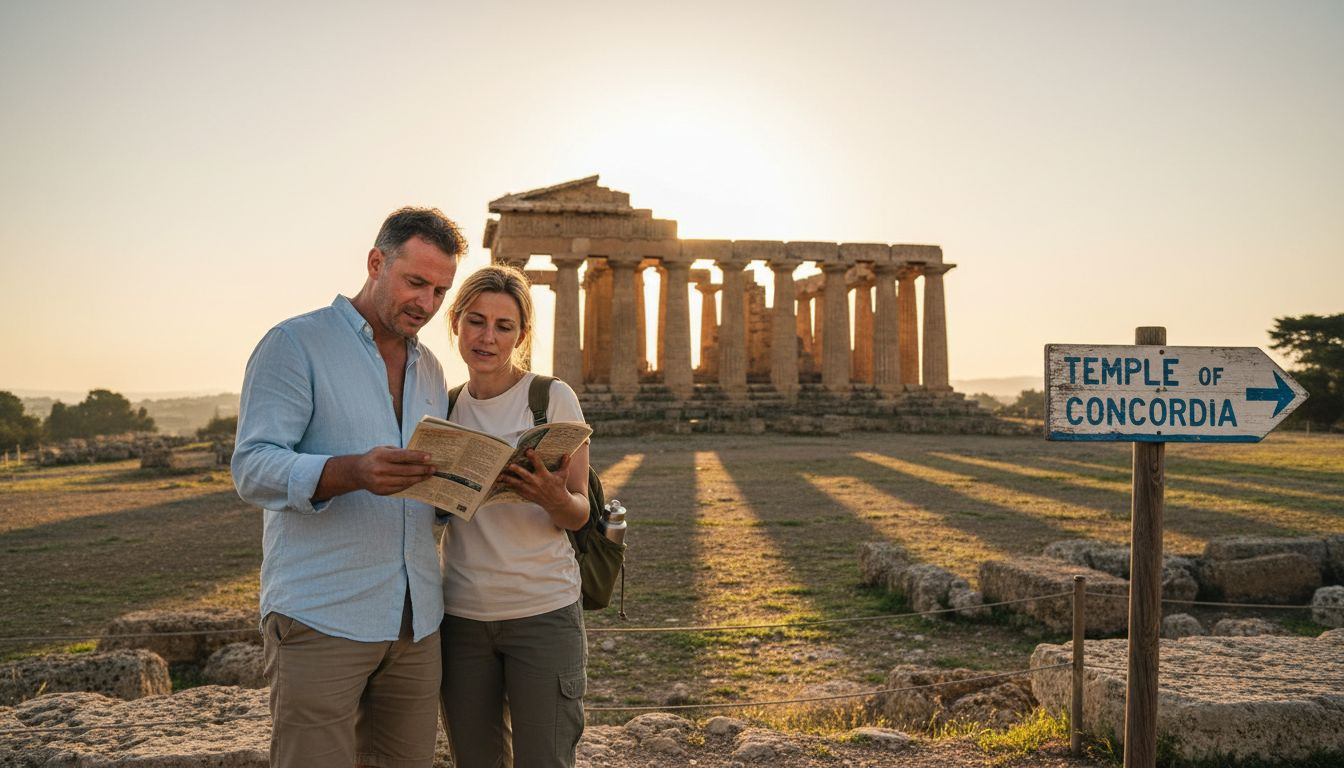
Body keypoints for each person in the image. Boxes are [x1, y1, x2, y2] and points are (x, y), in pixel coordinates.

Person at [232, 207, 466, 768]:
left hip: (417, 623)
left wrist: (464, 491)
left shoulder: (432, 368)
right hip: (321, 616)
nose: (427, 303)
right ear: (376, 263)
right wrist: (352, 472)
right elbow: (253, 467)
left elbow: (423, 494)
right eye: (416, 282)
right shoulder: (295, 343)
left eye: (440, 291)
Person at [438, 264, 590, 768]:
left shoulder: (551, 398)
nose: (488, 337)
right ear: (456, 323)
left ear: (521, 335)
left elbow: (580, 513)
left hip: (542, 611)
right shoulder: (443, 408)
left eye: (504, 326)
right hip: (461, 616)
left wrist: (551, 497)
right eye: (476, 321)